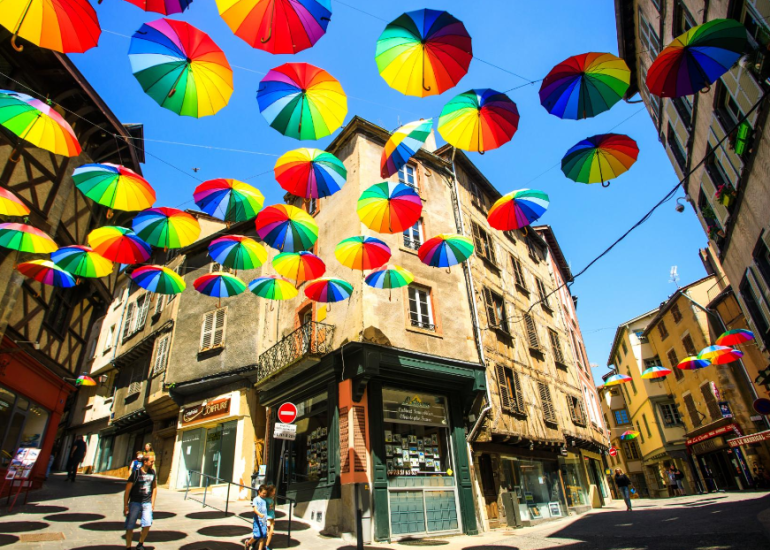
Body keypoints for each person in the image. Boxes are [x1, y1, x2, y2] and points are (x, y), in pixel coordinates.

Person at [124, 455, 157, 550]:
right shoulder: (136, 473)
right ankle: (128, 546)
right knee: (130, 524)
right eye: (151, 461)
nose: (152, 463)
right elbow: (127, 491)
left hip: (147, 502)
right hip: (135, 502)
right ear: (145, 462)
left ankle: (140, 543)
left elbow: (154, 487)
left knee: (147, 523)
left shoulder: (152, 473)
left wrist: (153, 503)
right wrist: (126, 505)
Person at [244, 485, 268, 550]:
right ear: (259, 492)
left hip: (263, 521)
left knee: (263, 536)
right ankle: (248, 543)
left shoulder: (264, 500)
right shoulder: (256, 499)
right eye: (263, 493)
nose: (264, 495)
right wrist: (260, 514)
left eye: (265, 493)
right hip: (257, 520)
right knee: (257, 535)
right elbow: (255, 509)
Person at [264, 485, 276, 550]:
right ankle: (265, 545)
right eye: (274, 491)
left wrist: (273, 519)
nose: (274, 492)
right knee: (267, 532)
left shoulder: (271, 498)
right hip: (268, 517)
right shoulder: (266, 499)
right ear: (270, 492)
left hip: (272, 516)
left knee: (271, 532)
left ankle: (267, 545)